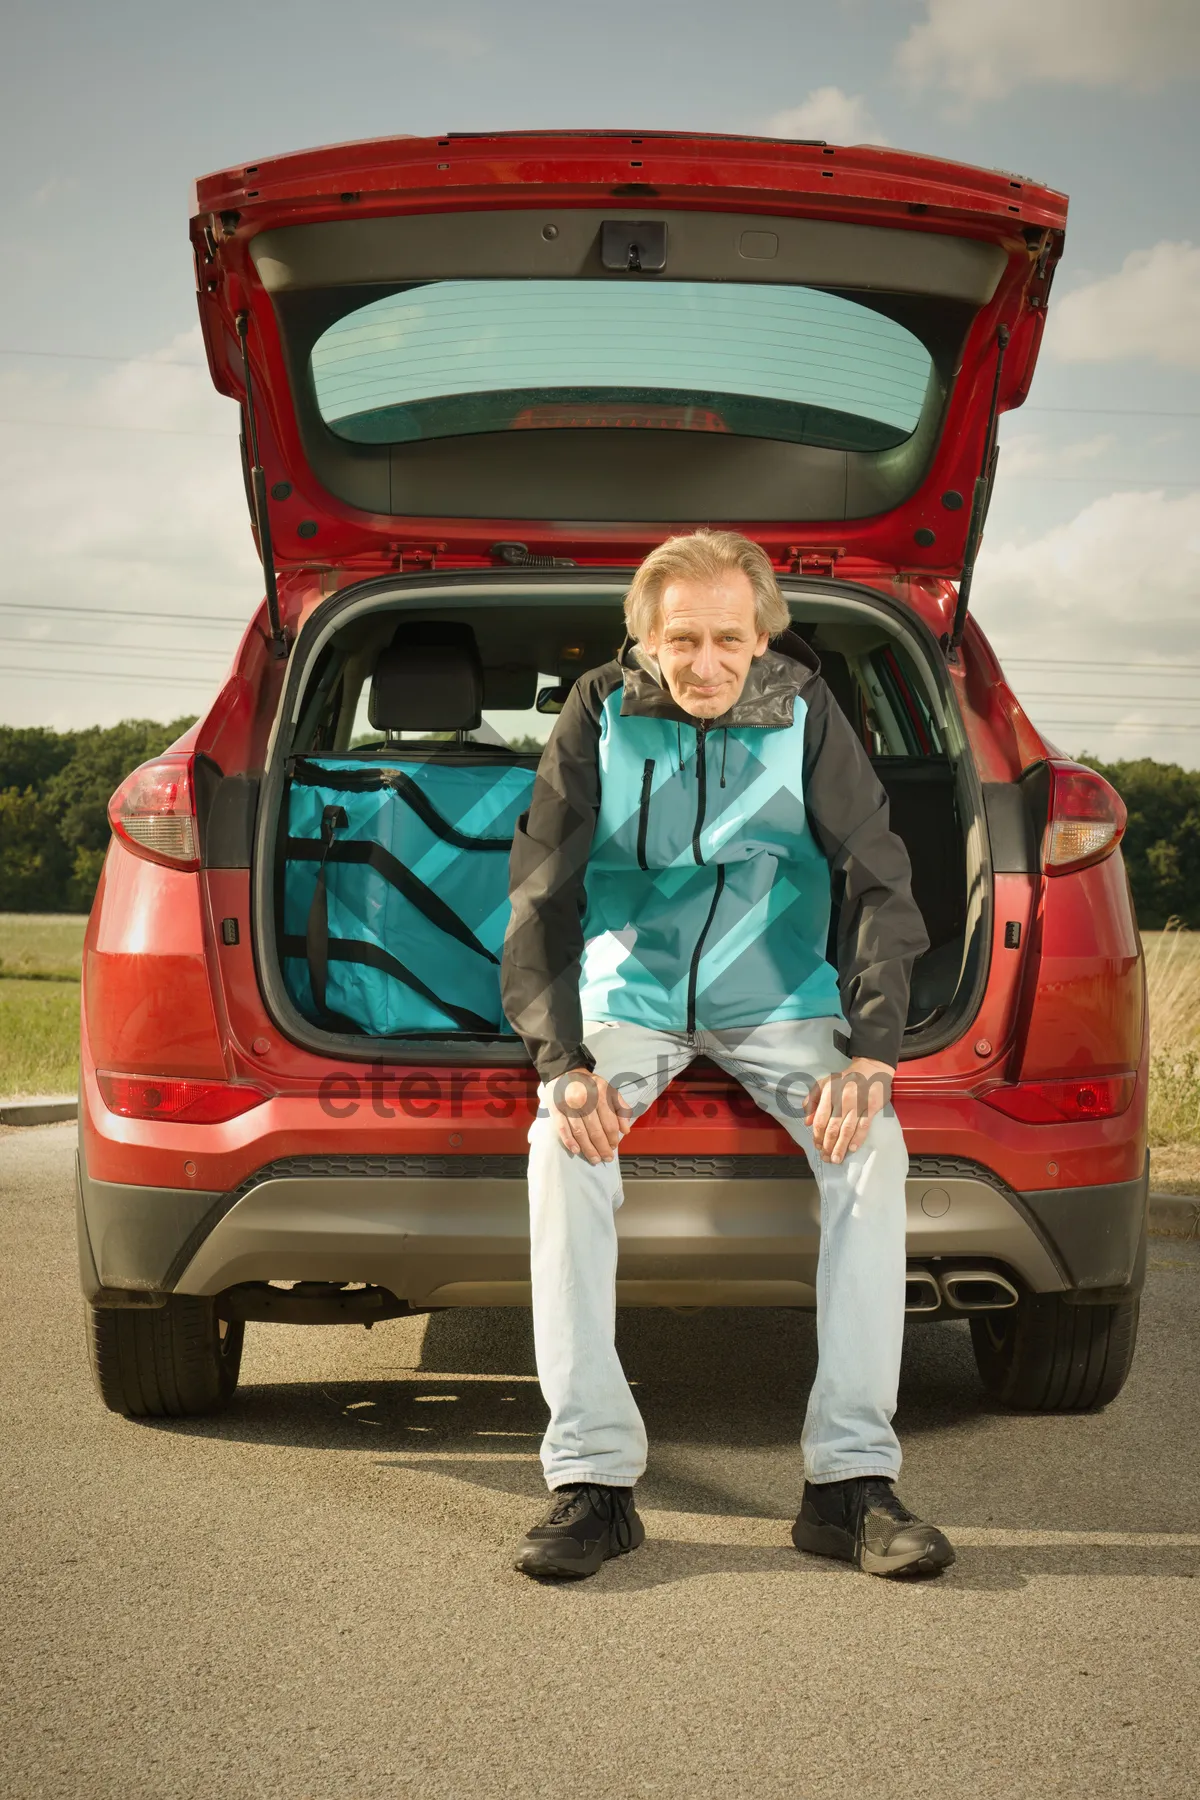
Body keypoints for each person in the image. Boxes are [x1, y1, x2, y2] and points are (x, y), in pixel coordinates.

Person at [500, 529, 954, 1581]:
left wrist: (873, 1051)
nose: (706, 664)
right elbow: (541, 889)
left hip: (780, 1000)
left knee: (871, 1149)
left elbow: (881, 876)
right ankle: (594, 1484)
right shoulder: (599, 712)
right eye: (682, 639)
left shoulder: (805, 712)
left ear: (763, 640)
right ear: (644, 640)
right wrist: (560, 1060)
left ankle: (848, 1486)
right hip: (633, 1000)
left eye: (728, 641)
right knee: (560, 1149)